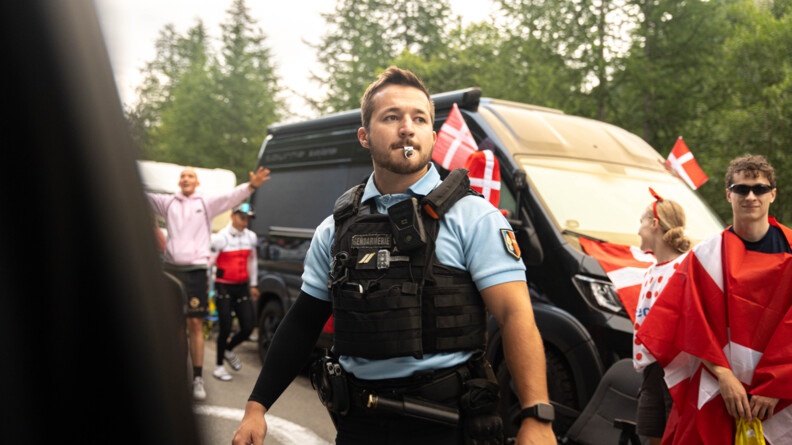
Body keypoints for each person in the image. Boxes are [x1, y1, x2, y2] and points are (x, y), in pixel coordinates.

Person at [231, 66, 556, 445]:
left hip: (448, 425)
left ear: (432, 136)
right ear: (364, 136)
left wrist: (537, 415)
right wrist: (257, 407)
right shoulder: (334, 229)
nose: (407, 128)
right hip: (358, 426)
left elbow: (515, 315)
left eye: (419, 118)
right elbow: (303, 322)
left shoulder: (475, 217)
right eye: (391, 117)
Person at [636, 154, 792, 444]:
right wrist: (725, 377)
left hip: (782, 395)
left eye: (759, 188)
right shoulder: (705, 257)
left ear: (773, 193)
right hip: (718, 388)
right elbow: (688, 321)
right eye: (740, 189)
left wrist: (777, 386)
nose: (750, 196)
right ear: (728, 194)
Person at [147, 165, 271, 401]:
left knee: (195, 325)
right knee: (173, 327)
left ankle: (197, 379)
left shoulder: (205, 203)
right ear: (179, 182)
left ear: (197, 183)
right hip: (172, 271)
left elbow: (229, 197)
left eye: (190, 176)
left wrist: (251, 186)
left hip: (195, 272)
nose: (186, 178)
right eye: (182, 176)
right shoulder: (168, 203)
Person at [632, 188, 691, 445]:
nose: (638, 230)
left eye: (642, 222)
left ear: (654, 224)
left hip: (677, 369)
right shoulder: (650, 272)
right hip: (652, 369)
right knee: (653, 434)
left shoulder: (686, 268)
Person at [210, 202, 260, 381]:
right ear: (232, 216)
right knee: (226, 326)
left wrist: (253, 284)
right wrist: (206, 286)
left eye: (248, 219)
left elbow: (252, 261)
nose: (245, 222)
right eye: (242, 218)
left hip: (242, 286)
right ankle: (218, 366)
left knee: (248, 326)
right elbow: (209, 263)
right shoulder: (220, 237)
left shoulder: (251, 237)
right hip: (223, 286)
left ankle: (228, 349)